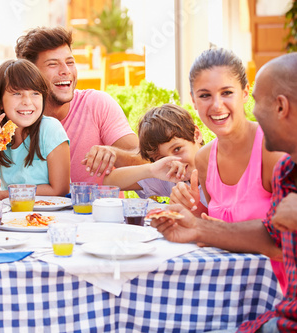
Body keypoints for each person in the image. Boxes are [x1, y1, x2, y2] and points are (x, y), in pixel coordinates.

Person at [150, 52, 297, 332]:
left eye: (257, 102)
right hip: (242, 294)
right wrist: (196, 221)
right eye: (205, 95)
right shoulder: (286, 170)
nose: (254, 112)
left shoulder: (275, 157)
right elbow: (272, 233)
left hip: (268, 294)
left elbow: (276, 245)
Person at [172, 48, 287, 292]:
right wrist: (193, 208)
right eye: (205, 95)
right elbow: (215, 222)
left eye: (227, 92)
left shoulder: (271, 149)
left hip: (272, 289)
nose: (216, 105)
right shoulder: (203, 158)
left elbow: (284, 240)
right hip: (222, 285)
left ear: (245, 93)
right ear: (193, 100)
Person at [15, 26, 144, 185]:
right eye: (53, 64)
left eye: (70, 62)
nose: (66, 71)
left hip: (101, 209)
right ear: (30, 74)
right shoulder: (17, 120)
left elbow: (144, 160)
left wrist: (115, 154)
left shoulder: (97, 104)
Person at [0, 59, 70, 199]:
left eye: (35, 93)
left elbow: (60, 189)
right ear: (0, 101)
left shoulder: (50, 129)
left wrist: (1, 195)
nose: (27, 101)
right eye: (17, 93)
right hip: (14, 216)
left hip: (52, 213)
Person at [103, 104, 205, 205]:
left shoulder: (218, 169)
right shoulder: (169, 176)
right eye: (162, 158)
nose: (173, 161)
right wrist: (151, 169)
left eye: (177, 149)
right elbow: (108, 183)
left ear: (196, 135)